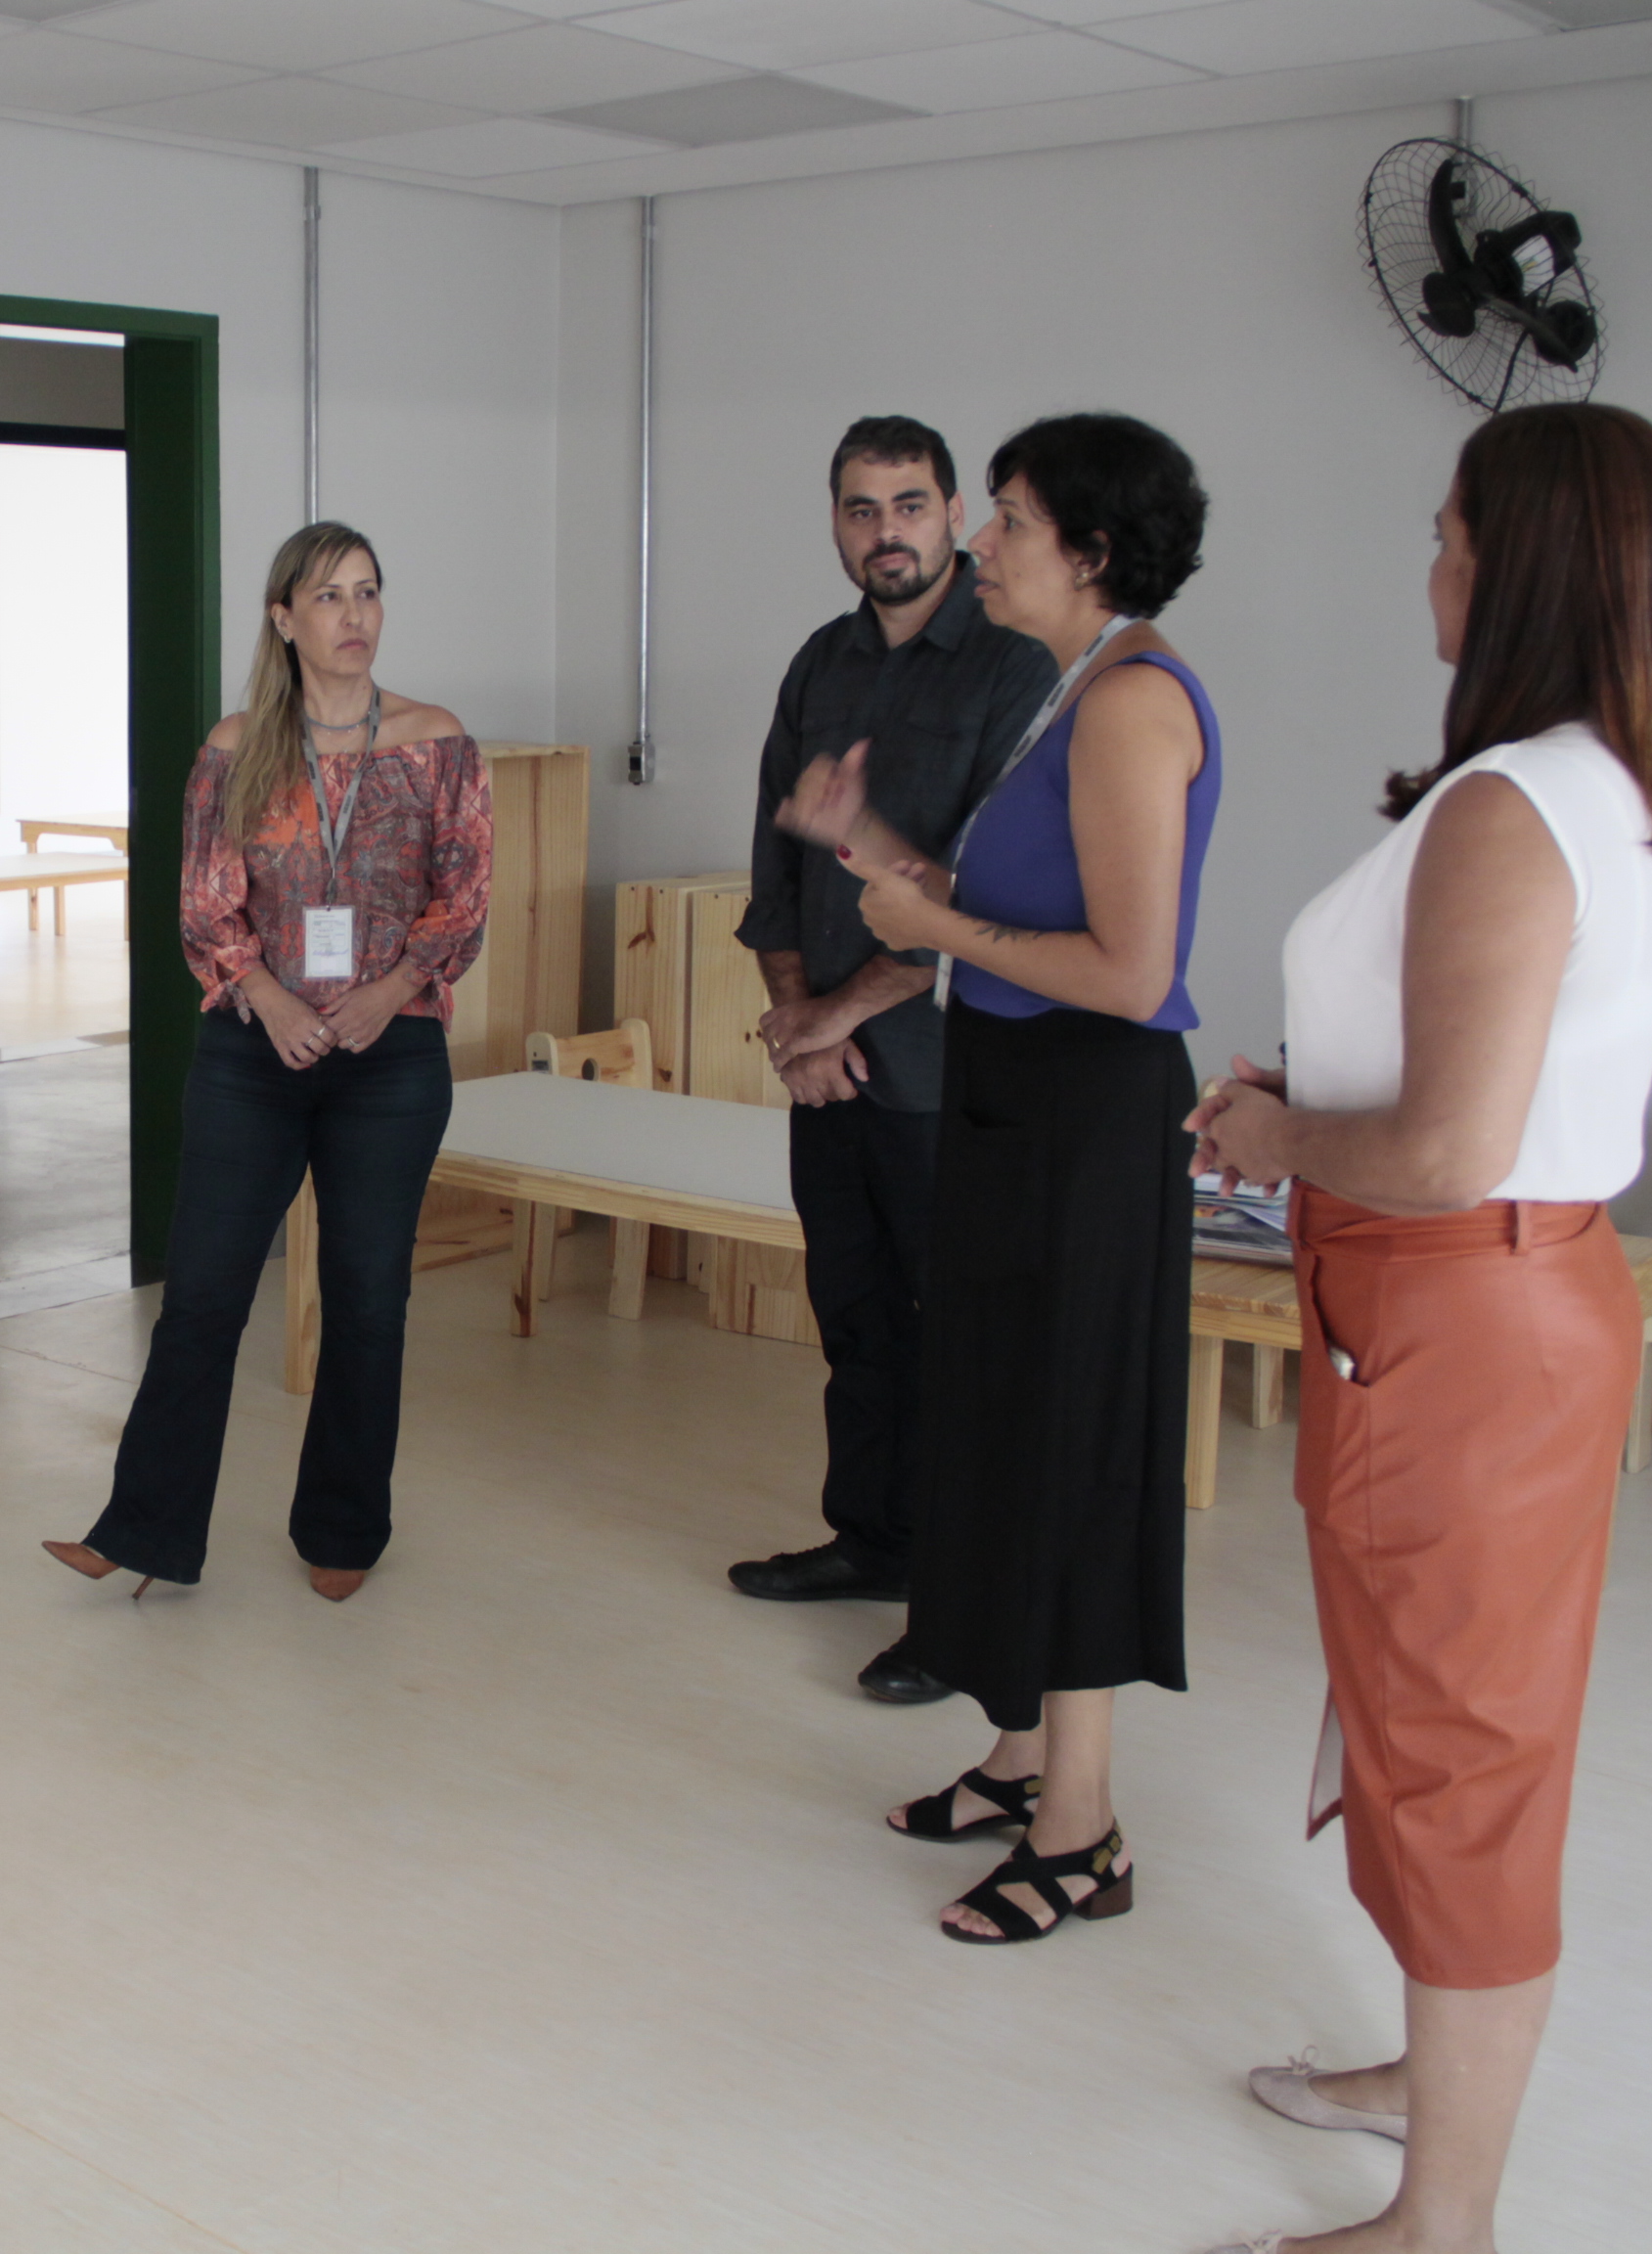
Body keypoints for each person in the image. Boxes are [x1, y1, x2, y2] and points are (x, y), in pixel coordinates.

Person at [1186, 405, 1652, 2254]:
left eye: (1447, 536)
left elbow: (1442, 1146)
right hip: (1512, 1291)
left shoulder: (1513, 805)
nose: (1428, 565)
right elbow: (1537, 1065)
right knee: (1439, 1718)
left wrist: (1274, 1137)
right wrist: (1312, 1100)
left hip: (1458, 1300)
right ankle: (1433, 2077)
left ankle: (1446, 2220)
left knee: (1459, 1750)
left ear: (1519, 567)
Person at [782, 412, 1217, 1941]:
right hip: (1017, 1100)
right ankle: (1022, 1760)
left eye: (1012, 517)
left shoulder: (1133, 701)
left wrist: (935, 930)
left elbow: (1130, 971)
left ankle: (1083, 1831)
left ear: (1090, 550)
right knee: (1008, 1431)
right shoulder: (1074, 689)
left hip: (1087, 1118)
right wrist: (874, 843)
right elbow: (1005, 900)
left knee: (1072, 1453)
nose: (981, 541)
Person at [43, 523, 488, 1601]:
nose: (354, 615)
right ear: (284, 619)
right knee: (202, 1295)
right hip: (255, 1048)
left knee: (367, 1299)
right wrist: (272, 997)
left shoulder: (435, 740)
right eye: (329, 596)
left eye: (368, 592)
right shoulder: (235, 747)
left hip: (391, 1055)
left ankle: (343, 1531)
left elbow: (463, 898)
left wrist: (387, 991)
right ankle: (145, 1527)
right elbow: (205, 904)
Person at [727, 416, 1057, 1707]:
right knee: (857, 1318)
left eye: (910, 505)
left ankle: (955, 1606)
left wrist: (838, 1017)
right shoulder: (822, 662)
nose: (887, 533)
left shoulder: (1015, 667)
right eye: (861, 509)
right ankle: (873, 1540)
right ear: (835, 522)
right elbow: (776, 869)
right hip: (831, 1073)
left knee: (952, 1339)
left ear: (955, 513)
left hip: (944, 1072)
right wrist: (798, 1023)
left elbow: (987, 895)